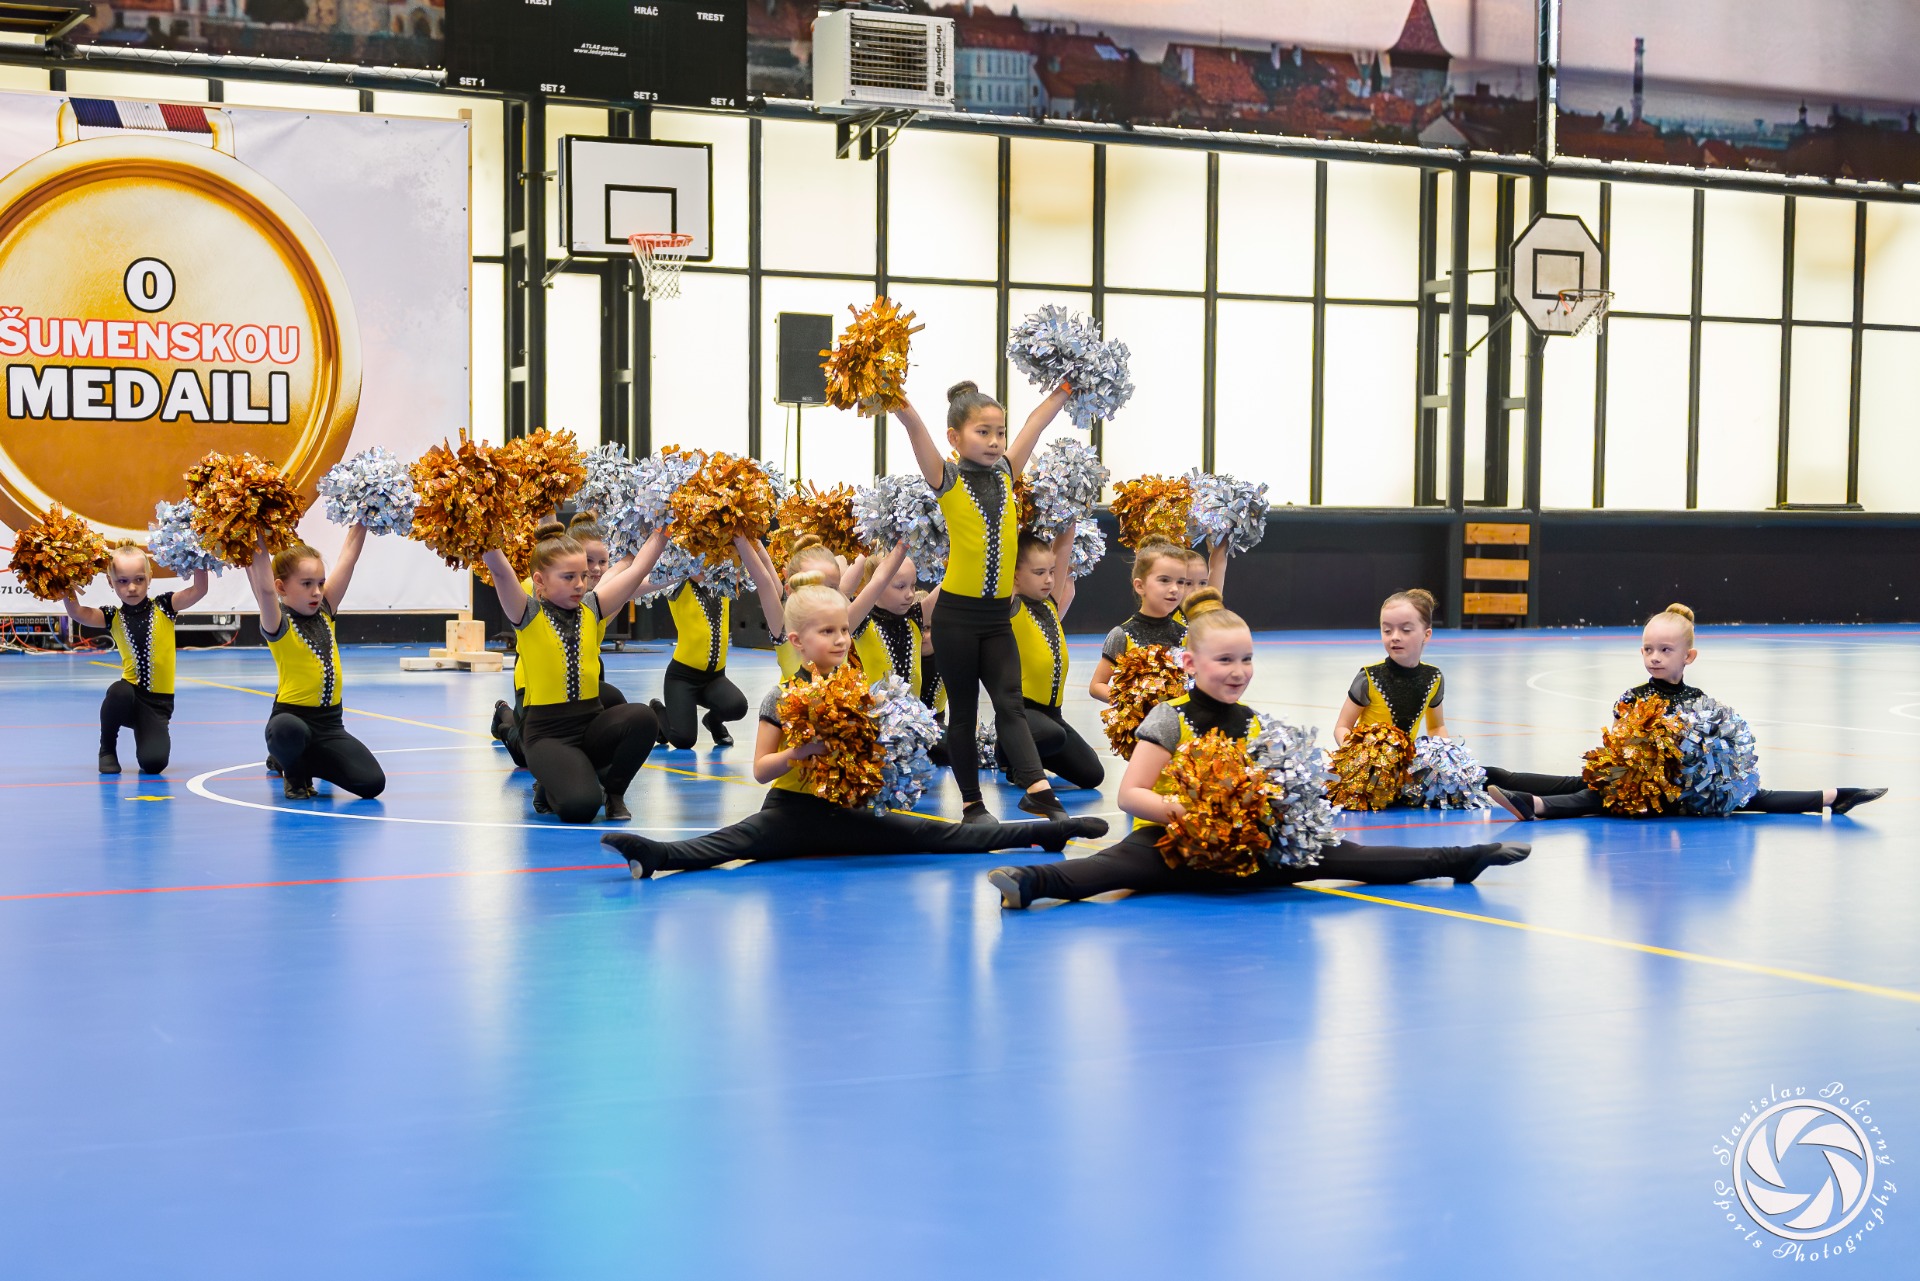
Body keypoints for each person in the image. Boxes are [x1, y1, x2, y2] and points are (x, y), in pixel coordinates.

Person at [987, 590, 1529, 908]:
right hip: (1174, 846)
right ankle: (1031, 882)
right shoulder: (1169, 718)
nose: (1238, 671)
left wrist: (1273, 815)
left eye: (1246, 659)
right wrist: (1189, 814)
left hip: (1247, 855)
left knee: (1343, 854)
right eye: (1225, 661)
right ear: (1190, 664)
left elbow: (1271, 791)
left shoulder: (1254, 723)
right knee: (1114, 866)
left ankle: (1458, 858)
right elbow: (1132, 794)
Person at [601, 571, 1108, 879]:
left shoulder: (864, 691)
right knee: (726, 844)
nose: (842, 640)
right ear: (797, 642)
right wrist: (800, 753)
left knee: (945, 836)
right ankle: (653, 855)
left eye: (845, 629)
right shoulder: (782, 696)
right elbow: (760, 770)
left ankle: (1050, 832)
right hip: (790, 814)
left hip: (853, 813)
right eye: (828, 632)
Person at [1486, 604, 1885, 821]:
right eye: (1648, 649)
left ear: (1688, 656)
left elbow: (1713, 754)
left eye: (1665, 650)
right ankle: (1501, 779)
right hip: (1639, 787)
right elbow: (1620, 752)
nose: (1655, 658)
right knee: (1595, 785)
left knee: (1749, 797)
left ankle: (1834, 796)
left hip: (1681, 793)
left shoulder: (1699, 701)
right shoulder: (1631, 697)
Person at [896, 379, 1076, 822]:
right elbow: (915, 428)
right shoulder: (947, 479)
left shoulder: (1006, 473)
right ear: (955, 438)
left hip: (997, 619)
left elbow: (1035, 424)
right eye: (983, 432)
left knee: (1010, 704)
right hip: (957, 617)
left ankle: (1037, 790)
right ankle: (972, 804)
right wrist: (896, 400)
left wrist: (1065, 388)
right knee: (963, 712)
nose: (995, 441)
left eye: (999, 432)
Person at [478, 525, 669, 823]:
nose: (580, 584)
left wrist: (664, 528)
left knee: (643, 718)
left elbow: (638, 570)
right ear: (540, 581)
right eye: (568, 577)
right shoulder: (527, 614)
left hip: (590, 725)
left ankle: (614, 794)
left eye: (583, 576)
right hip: (547, 736)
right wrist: (481, 528)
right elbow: (501, 572)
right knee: (581, 808)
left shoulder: (592, 606)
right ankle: (551, 784)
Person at [245, 528, 386, 800]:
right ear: (281, 587)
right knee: (287, 730)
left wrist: (364, 515)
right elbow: (264, 590)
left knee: (371, 783)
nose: (317, 592)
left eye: (320, 583)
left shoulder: (325, 610)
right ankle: (294, 773)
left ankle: (293, 758)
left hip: (330, 725)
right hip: (291, 718)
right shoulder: (278, 621)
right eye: (307, 584)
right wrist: (254, 530)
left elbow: (348, 558)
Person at [493, 513, 628, 770]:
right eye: (588, 561)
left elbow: (631, 574)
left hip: (582, 674)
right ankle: (505, 718)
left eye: (601, 562)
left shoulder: (594, 597)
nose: (595, 569)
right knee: (526, 755)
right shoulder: (535, 591)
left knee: (615, 704)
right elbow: (507, 575)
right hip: (537, 683)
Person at [62, 544, 209, 775]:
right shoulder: (112, 616)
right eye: (123, 581)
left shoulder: (165, 606)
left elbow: (199, 590)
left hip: (157, 705)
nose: (131, 588)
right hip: (129, 698)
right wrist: (63, 578)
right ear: (111, 582)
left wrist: (197, 552)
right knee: (118, 691)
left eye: (139, 579)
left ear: (150, 577)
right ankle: (107, 748)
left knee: (154, 764)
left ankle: (147, 733)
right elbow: (77, 612)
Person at [1008, 529, 1103, 790]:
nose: (1049, 579)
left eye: (1051, 572)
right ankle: (1009, 753)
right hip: (1020, 713)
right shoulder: (1011, 606)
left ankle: (1032, 754)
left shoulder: (1051, 603)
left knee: (1092, 775)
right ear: (1014, 576)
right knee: (1052, 735)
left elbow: (1063, 547)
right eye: (1039, 573)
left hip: (1053, 715)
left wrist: (1070, 516)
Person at [650, 562, 751, 751]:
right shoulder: (678, 582)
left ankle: (713, 722)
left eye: (707, 561)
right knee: (684, 740)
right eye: (696, 560)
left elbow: (744, 567)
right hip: (682, 678)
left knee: (737, 707)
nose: (702, 566)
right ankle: (657, 710)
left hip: (714, 679)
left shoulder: (724, 582)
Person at [1333, 588, 1448, 745]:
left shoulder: (1433, 677)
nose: (1395, 637)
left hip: (1408, 759)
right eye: (1387, 630)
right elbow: (1342, 727)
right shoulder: (1369, 677)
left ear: (1426, 635)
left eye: (1406, 630)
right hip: (1368, 759)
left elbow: (1436, 727)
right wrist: (1355, 752)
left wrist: (1447, 752)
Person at [1087, 539, 1191, 704]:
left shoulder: (1187, 635)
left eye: (1181, 582)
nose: (1174, 589)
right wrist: (1131, 702)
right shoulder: (1122, 635)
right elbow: (1096, 685)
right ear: (1140, 586)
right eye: (1164, 580)